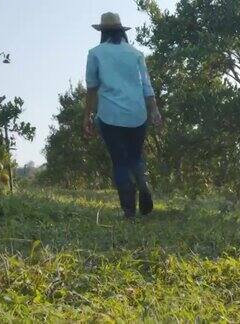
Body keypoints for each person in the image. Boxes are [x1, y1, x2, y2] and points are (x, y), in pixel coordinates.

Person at [83, 12, 162, 220]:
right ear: (121, 30)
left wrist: (87, 116)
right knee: (135, 156)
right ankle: (143, 183)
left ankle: (129, 212)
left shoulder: (95, 53)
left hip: (110, 116)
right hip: (138, 114)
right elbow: (147, 85)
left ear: (102, 32)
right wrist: (154, 110)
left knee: (119, 161)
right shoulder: (136, 53)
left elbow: (92, 88)